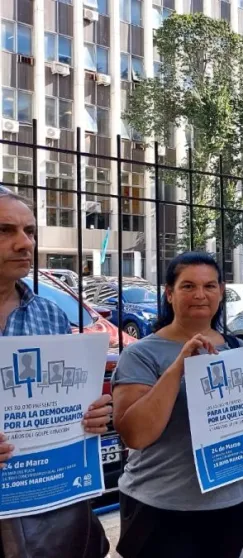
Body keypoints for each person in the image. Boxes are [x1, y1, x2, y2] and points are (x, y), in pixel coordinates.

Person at [113, 252, 243, 557]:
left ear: (221, 291)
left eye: (209, 286)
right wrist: (179, 366)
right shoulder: (141, 354)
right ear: (169, 293)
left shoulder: (238, 349)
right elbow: (135, 435)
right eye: (188, 286)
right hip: (160, 507)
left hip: (230, 505)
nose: (200, 294)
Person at [0, 186, 113, 558]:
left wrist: (89, 415)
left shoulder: (49, 314)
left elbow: (65, 397)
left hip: (46, 507)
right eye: (5, 230)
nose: (25, 243)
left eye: (30, 231)